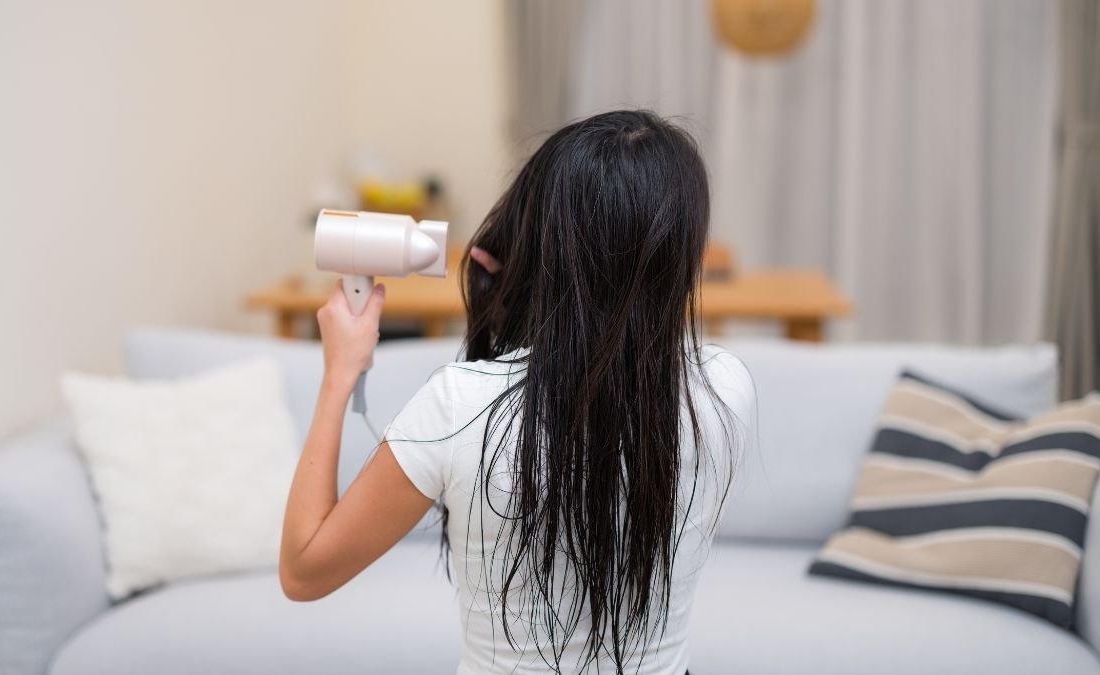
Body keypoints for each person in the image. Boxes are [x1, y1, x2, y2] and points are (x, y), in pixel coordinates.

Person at [280, 110, 755, 674]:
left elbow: (304, 572)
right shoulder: (726, 389)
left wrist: (339, 372)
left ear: (543, 240)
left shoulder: (459, 406)